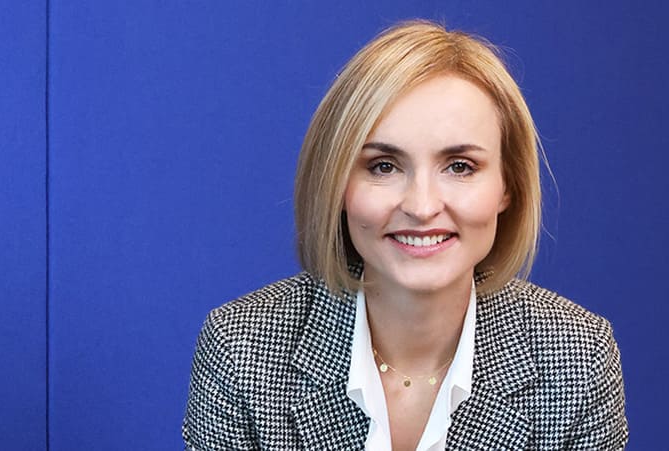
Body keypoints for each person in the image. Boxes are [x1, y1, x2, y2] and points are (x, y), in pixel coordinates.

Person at [183, 20, 627, 450]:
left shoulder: (577, 359)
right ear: (337, 183)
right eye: (384, 166)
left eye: (460, 166)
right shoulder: (241, 350)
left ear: (507, 187)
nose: (421, 206)